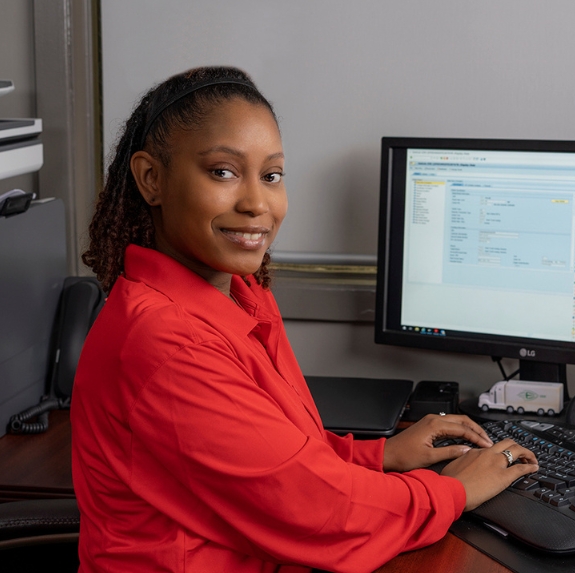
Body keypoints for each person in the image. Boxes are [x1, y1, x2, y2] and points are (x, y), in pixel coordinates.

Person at [72, 66, 538, 573]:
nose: (256, 202)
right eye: (223, 172)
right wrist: (454, 490)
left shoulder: (241, 296)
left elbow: (280, 460)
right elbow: (324, 515)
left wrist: (380, 456)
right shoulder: (165, 341)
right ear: (151, 178)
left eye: (270, 176)